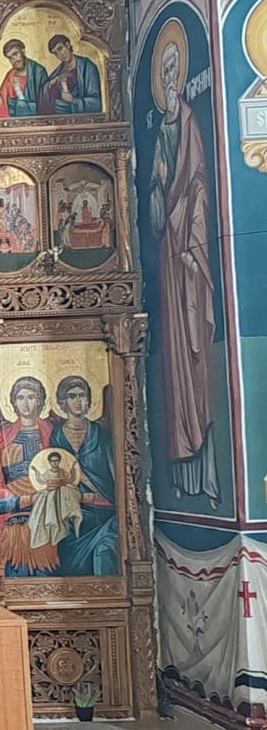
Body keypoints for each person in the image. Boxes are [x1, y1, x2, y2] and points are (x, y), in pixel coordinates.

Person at [148, 35, 218, 508]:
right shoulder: (160, 131)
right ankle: (185, 469)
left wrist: (193, 242)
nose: (170, 77)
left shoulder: (189, 120)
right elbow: (157, 191)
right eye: (165, 70)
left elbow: (197, 184)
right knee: (175, 359)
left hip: (188, 251)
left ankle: (203, 467)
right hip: (170, 256)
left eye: (174, 68)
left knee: (195, 351)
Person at [49, 375, 119, 575]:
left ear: (89, 400)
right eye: (72, 396)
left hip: (103, 513)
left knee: (105, 551)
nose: (78, 401)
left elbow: (115, 474)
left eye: (83, 395)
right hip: (71, 516)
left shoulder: (102, 434)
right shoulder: (57, 435)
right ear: (63, 401)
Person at [0, 376, 57, 576]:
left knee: (47, 573)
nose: (26, 403)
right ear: (13, 402)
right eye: (20, 397)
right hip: (14, 522)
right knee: (17, 571)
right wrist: (24, 499)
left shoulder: (54, 435)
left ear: (40, 401)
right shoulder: (1, 439)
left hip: (47, 519)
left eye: (31, 397)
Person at [0, 39, 48, 118]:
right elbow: (1, 103)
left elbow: (46, 104)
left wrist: (17, 106)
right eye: (10, 58)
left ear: (23, 51)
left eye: (15, 54)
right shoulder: (11, 75)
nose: (14, 60)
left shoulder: (38, 72)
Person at [38, 35, 102, 115]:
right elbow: (45, 96)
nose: (60, 55)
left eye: (60, 49)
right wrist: (50, 83)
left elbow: (96, 103)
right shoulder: (57, 72)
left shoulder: (87, 67)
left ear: (67, 45)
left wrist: (73, 100)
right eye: (55, 53)